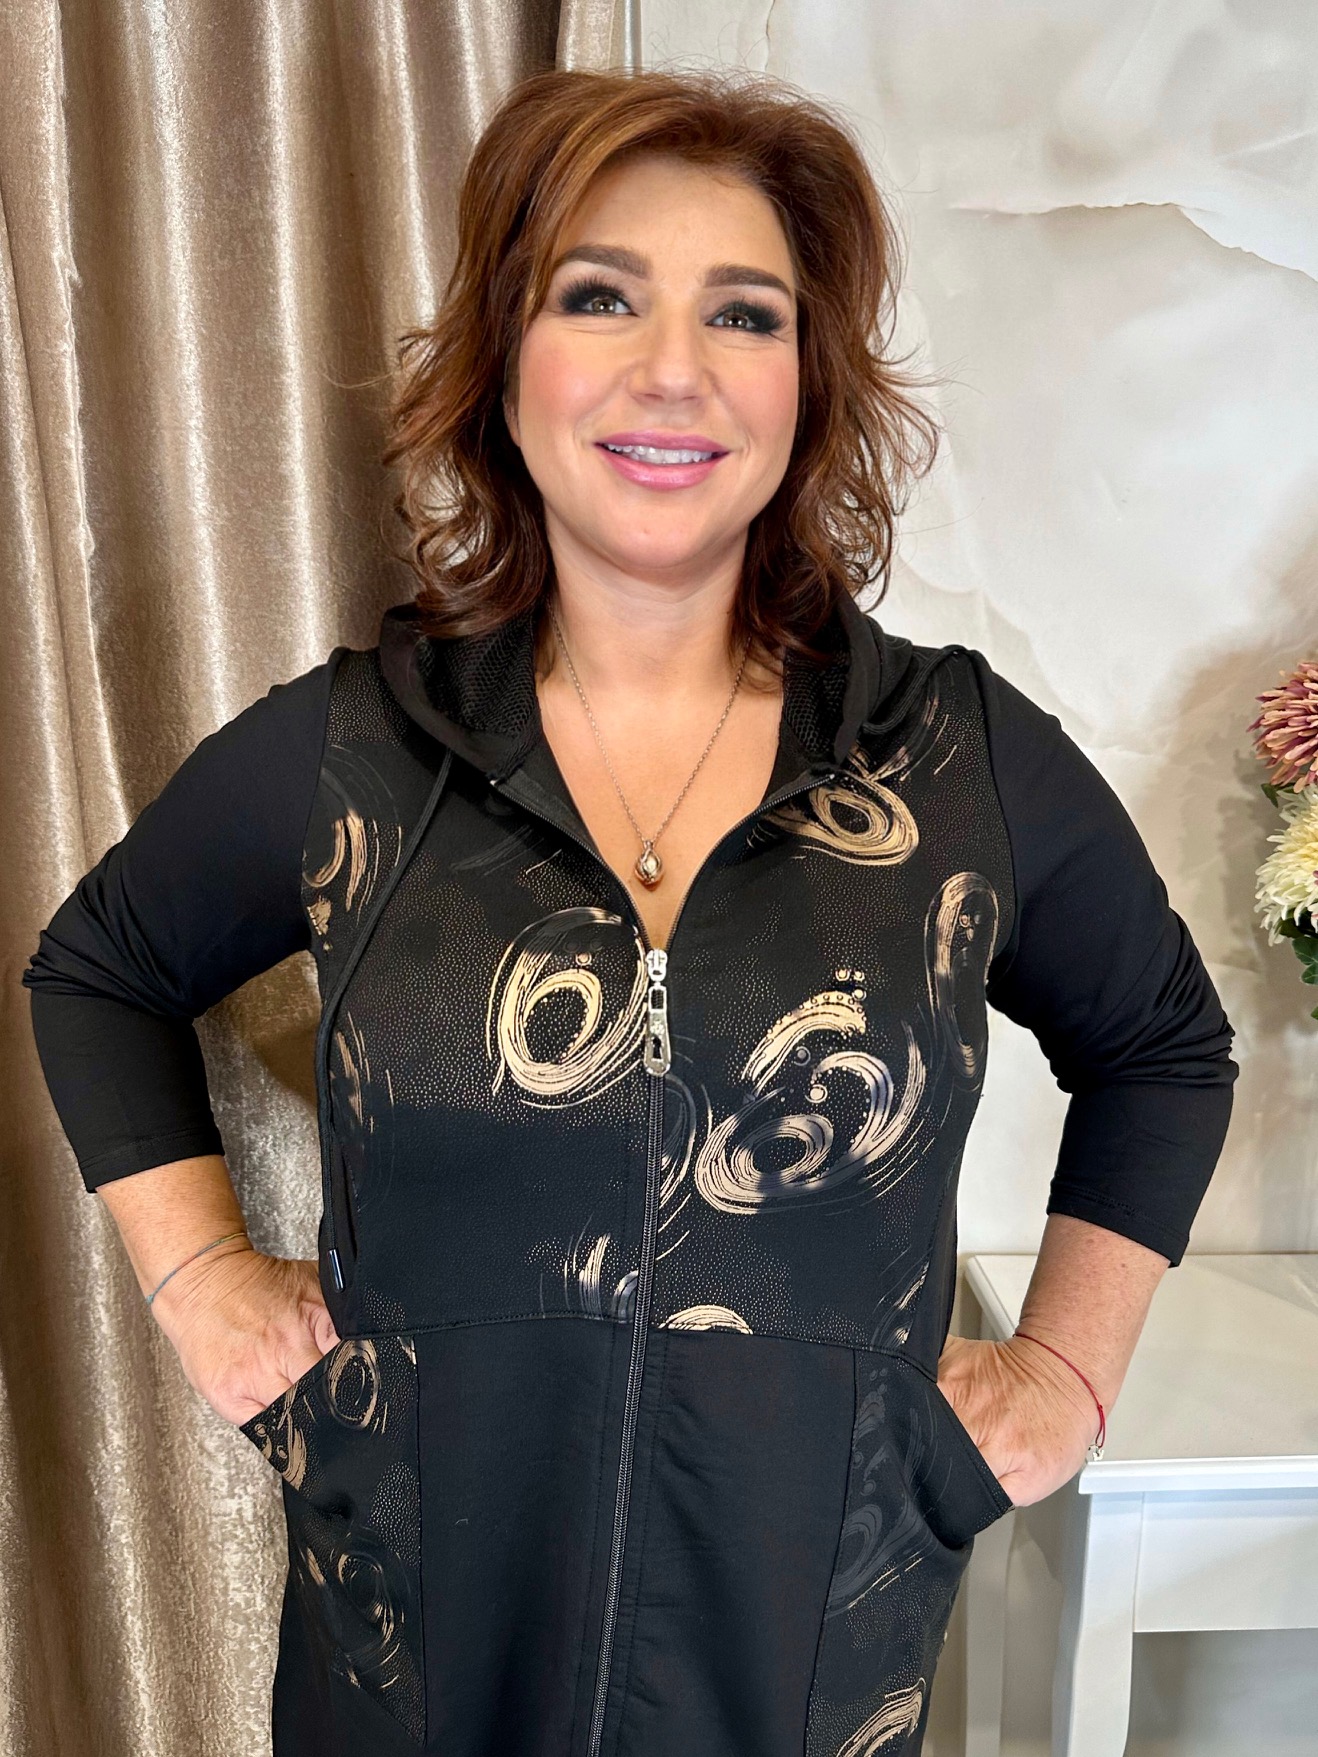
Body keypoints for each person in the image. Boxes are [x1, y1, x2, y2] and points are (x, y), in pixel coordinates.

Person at [23, 64, 1236, 1757]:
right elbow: (98, 971)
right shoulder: (360, 750)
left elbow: (1162, 1046)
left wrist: (1064, 1373)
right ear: (504, 364)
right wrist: (203, 1280)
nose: (674, 366)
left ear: (805, 385)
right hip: (417, 1652)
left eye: (743, 313)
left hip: (801, 1661)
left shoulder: (951, 756)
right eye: (600, 296)